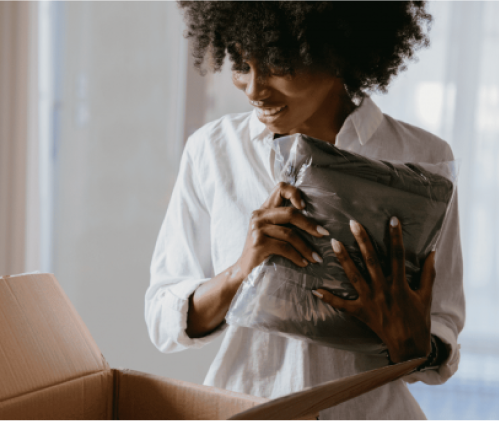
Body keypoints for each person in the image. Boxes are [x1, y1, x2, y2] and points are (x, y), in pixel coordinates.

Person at [145, 0, 465, 419]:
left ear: (337, 50)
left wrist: (414, 345)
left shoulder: (422, 161)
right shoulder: (212, 152)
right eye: (242, 61)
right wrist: (242, 271)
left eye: (278, 63)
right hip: (248, 408)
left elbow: (444, 325)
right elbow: (162, 319)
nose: (254, 88)